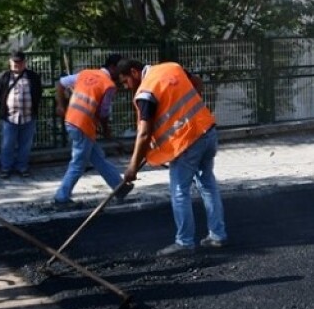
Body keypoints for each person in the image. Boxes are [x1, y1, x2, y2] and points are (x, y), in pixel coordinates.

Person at [117, 59, 227, 256]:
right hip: (207, 131)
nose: (126, 87)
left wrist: (132, 167)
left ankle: (184, 242)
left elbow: (143, 134)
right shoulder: (172, 67)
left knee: (179, 191)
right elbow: (197, 83)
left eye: (125, 81)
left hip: (187, 144)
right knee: (207, 184)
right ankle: (217, 236)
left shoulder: (145, 92)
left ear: (134, 72)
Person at [52, 53, 128, 209]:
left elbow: (60, 83)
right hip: (82, 125)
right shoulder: (108, 85)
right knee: (78, 163)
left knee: (98, 158)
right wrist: (107, 130)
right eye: (119, 70)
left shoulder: (86, 73)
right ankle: (61, 198)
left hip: (73, 121)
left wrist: (60, 105)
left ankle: (120, 187)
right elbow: (103, 113)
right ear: (112, 67)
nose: (121, 74)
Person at [0, 49, 43, 179]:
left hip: (28, 116)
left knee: (25, 145)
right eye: (15, 62)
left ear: (25, 62)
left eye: (20, 62)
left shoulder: (32, 76)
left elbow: (38, 93)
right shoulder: (4, 77)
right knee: (7, 145)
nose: (18, 64)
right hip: (9, 117)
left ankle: (22, 167)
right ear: (10, 62)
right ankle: (5, 168)